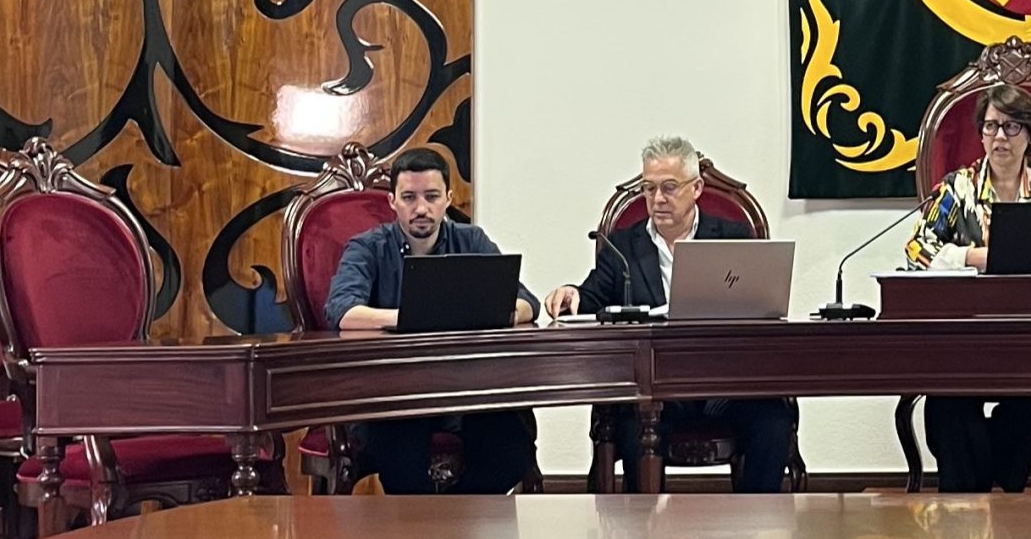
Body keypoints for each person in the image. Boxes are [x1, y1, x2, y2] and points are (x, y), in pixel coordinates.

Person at [548, 136, 796, 492]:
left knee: (772, 418)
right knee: (633, 421)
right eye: (649, 189)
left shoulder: (733, 237)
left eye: (669, 187)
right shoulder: (623, 246)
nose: (657, 199)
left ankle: (755, 520)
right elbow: (591, 298)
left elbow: (760, 305)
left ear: (696, 188)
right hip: (658, 387)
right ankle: (644, 521)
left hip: (723, 385)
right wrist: (571, 293)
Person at [326, 146, 541, 493]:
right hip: (394, 395)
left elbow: (528, 303)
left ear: (448, 199)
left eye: (432, 196)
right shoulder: (367, 247)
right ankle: (427, 524)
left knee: (511, 449)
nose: (421, 208)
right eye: (409, 197)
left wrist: (491, 312)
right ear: (392, 201)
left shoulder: (471, 240)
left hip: (468, 392)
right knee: (400, 461)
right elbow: (342, 311)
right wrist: (415, 316)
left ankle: (453, 517)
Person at [906, 83, 1031, 491]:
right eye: (990, 126)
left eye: (1011, 126)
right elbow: (917, 249)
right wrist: (977, 257)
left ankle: (979, 484)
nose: (999, 136)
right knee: (946, 402)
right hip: (964, 336)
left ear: (1030, 134)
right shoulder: (957, 188)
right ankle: (974, 505)